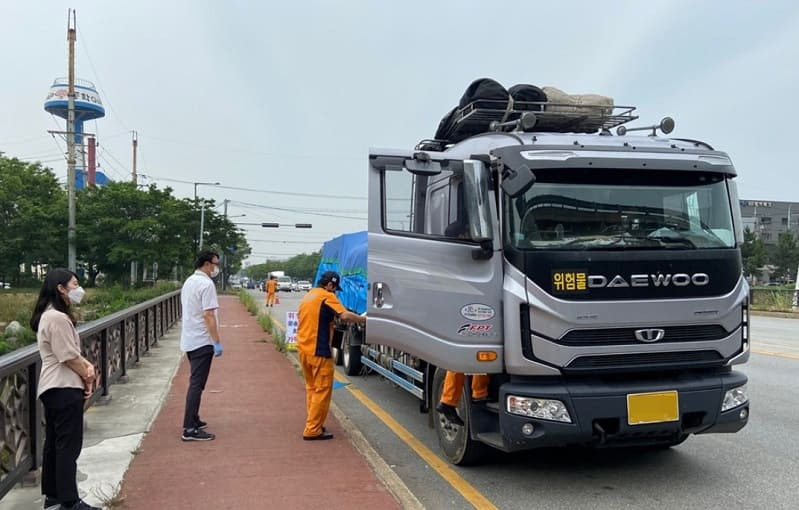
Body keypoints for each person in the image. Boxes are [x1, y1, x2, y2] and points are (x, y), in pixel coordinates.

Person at [31, 268, 101, 510]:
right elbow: (68, 356)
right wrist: (88, 372)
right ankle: (70, 501)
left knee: (55, 443)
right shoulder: (57, 318)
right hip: (63, 386)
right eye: (74, 284)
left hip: (53, 387)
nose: (78, 288)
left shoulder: (49, 316)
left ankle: (54, 495)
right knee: (68, 447)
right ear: (61, 288)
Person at [297, 271, 365, 440]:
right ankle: (312, 429)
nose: (334, 291)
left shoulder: (309, 295)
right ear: (330, 285)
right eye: (334, 288)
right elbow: (345, 315)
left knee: (312, 388)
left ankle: (314, 423)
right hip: (319, 351)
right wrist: (364, 320)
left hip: (304, 349)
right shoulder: (326, 296)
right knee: (323, 390)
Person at [180, 250, 224, 441]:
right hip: (202, 340)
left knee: (198, 382)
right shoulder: (206, 284)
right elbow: (208, 315)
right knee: (197, 384)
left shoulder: (190, 281)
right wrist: (216, 341)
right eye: (215, 263)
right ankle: (189, 429)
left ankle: (194, 419)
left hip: (190, 339)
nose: (217, 267)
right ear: (207, 264)